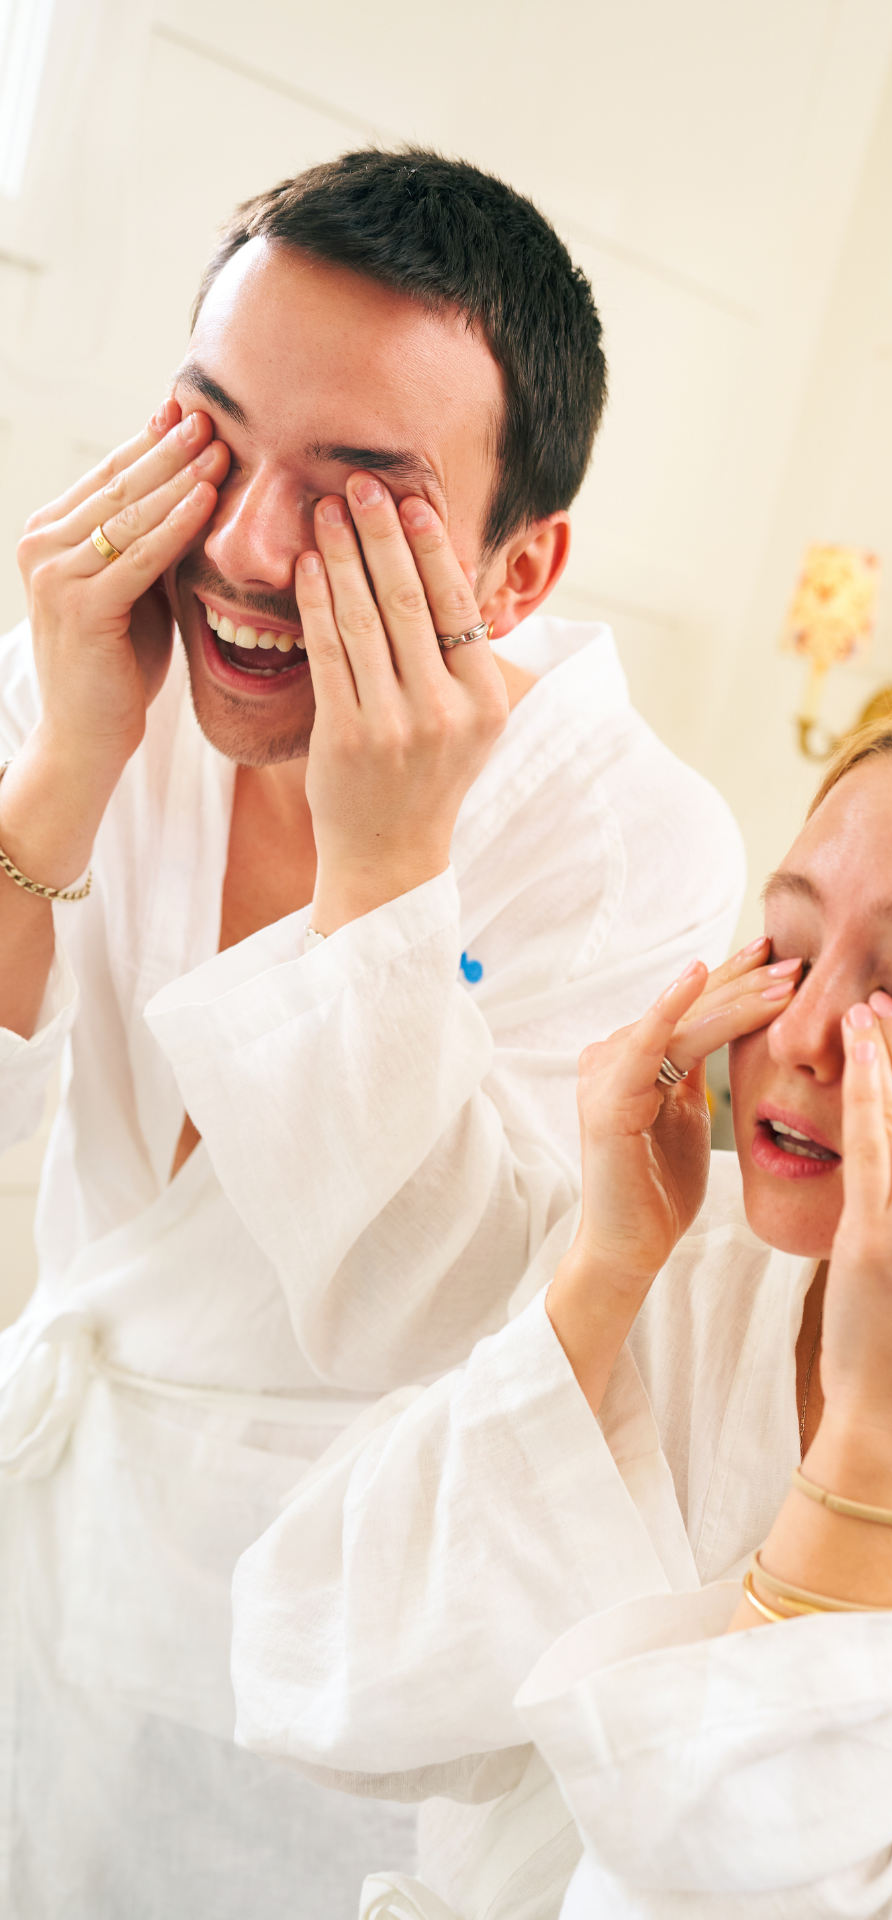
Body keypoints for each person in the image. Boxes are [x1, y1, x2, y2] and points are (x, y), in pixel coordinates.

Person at [0, 150, 743, 1917]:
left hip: (315, 1645)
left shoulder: (632, 844)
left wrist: (390, 871)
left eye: (357, 499)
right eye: (212, 438)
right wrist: (68, 761)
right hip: (42, 1530)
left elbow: (451, 1308)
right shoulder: (94, 660)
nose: (248, 548)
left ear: (520, 566)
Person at [232, 691, 892, 1920]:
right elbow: (313, 1667)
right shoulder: (686, 1261)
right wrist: (601, 1275)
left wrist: (890, 1436)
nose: (799, 1032)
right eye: (787, 949)